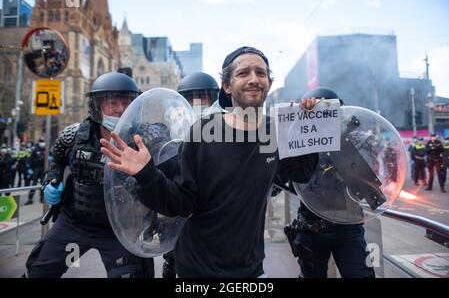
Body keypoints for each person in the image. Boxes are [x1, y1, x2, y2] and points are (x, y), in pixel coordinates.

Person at [100, 46, 319, 278]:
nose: (254, 79)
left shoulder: (274, 133)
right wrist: (146, 173)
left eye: (261, 73)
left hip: (251, 270)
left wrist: (308, 129)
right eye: (243, 73)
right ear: (226, 86)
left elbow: (302, 173)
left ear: (269, 82)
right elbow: (180, 203)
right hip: (198, 269)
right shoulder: (203, 132)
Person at [23, 72, 154, 278]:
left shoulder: (146, 139)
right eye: (112, 102)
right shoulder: (73, 135)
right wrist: (51, 180)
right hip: (75, 224)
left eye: (126, 102)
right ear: (97, 106)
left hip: (121, 232)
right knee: (40, 270)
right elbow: (57, 158)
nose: (120, 109)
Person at [284, 87, 376, 278]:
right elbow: (288, 181)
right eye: (316, 114)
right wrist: (297, 129)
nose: (322, 118)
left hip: (348, 226)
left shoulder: (354, 139)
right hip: (311, 227)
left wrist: (336, 135)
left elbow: (364, 180)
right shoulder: (302, 143)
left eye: (327, 113)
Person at [160, 72, 221, 278]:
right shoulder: (167, 137)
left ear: (213, 100)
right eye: (190, 99)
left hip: (217, 226)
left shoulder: (231, 133)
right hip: (179, 224)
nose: (197, 104)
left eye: (202, 98)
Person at [25, 138, 46, 205]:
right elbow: (30, 159)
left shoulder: (46, 149)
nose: (42, 143)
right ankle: (30, 199)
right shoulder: (35, 149)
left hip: (43, 169)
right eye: (41, 142)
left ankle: (42, 198)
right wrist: (30, 168)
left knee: (43, 185)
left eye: (43, 142)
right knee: (34, 184)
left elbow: (51, 158)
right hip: (36, 168)